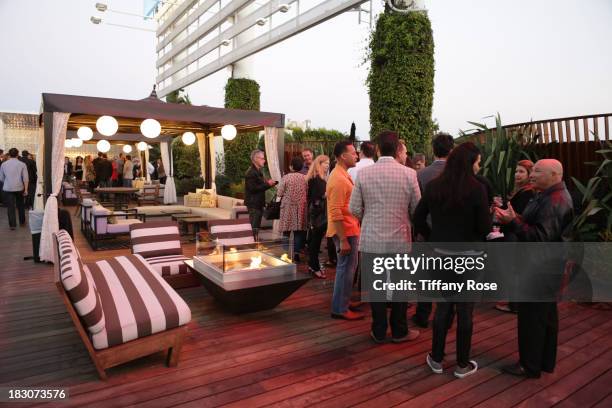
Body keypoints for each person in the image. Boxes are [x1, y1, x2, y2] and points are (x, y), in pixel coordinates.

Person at [414, 142, 491, 379]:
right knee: (465, 310)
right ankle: (462, 364)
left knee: (443, 306)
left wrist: (432, 239)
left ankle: (436, 358)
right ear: (470, 162)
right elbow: (485, 227)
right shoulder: (477, 189)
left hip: (440, 255)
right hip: (469, 257)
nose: (479, 166)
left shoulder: (435, 186)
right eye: (478, 161)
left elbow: (417, 218)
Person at [495, 159, 573, 379]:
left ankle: (529, 366)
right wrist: (515, 218)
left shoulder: (555, 200)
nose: (532, 175)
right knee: (545, 316)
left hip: (540, 267)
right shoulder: (546, 195)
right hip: (547, 266)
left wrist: (513, 222)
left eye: (537, 171)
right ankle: (544, 362)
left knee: (532, 317)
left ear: (555, 175)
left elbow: (538, 237)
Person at [350, 131, 421, 343]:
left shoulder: (364, 174)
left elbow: (353, 208)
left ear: (378, 149)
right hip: (400, 239)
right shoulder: (409, 174)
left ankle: (378, 331)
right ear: (398, 149)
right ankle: (400, 331)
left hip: (371, 238)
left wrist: (369, 217)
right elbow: (417, 208)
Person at [412, 132, 455, 328]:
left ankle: (422, 316)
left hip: (426, 234)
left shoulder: (420, 175)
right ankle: (447, 318)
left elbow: (416, 208)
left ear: (433, 150)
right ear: (451, 150)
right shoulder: (460, 176)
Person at [327, 140, 363, 320]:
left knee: (348, 269)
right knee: (345, 270)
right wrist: (342, 239)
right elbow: (335, 211)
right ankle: (340, 309)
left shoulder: (342, 174)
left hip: (349, 228)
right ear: (343, 156)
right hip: (346, 231)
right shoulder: (339, 178)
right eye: (353, 153)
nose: (357, 155)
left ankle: (343, 302)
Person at [495, 159, 537, 313]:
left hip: (515, 234)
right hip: (513, 233)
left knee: (514, 269)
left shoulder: (528, 192)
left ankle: (515, 304)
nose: (517, 174)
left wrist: (505, 213)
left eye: (521, 172)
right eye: (516, 171)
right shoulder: (521, 190)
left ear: (529, 174)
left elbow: (521, 215)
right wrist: (502, 206)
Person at [278, 156, 308, 261]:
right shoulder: (305, 178)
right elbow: (307, 192)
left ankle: (286, 254)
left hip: (287, 207)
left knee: (286, 231)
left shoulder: (286, 177)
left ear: (291, 166)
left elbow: (279, 193)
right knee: (298, 231)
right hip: (300, 207)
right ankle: (296, 253)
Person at [306, 155, 330, 278]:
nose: (327, 165)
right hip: (318, 215)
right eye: (325, 163)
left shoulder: (317, 178)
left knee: (314, 241)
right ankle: (315, 268)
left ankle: (312, 265)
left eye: (328, 163)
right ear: (319, 164)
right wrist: (327, 193)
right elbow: (316, 198)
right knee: (315, 242)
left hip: (316, 214)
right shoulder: (317, 179)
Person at [244, 150, 277, 232]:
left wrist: (269, 184)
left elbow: (259, 187)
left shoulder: (258, 171)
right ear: (256, 159)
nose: (264, 160)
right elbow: (253, 188)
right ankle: (252, 244)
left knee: (256, 227)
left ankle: (254, 243)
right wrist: (268, 184)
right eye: (262, 159)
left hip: (258, 203)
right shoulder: (251, 172)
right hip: (254, 204)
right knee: (254, 228)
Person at [0, 148, 29, 230]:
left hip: (8, 188)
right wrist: (26, 190)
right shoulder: (22, 164)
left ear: (9, 154)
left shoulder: (3, 164)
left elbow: (1, 178)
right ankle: (22, 222)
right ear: (17, 154)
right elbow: (25, 178)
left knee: (10, 207)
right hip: (19, 187)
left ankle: (12, 225)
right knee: (20, 205)